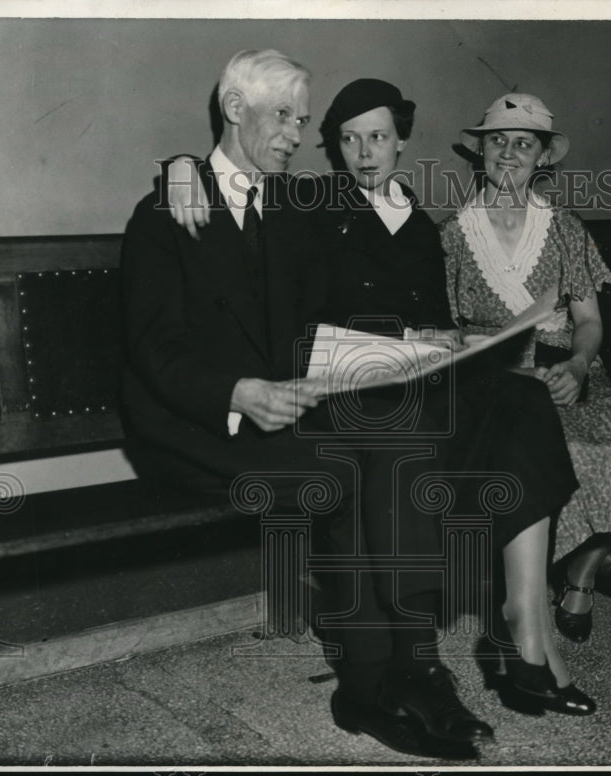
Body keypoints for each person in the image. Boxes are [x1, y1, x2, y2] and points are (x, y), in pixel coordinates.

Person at [167, 78, 597, 723]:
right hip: (349, 383)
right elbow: (232, 189)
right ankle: (421, 659)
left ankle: (524, 624)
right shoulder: (310, 203)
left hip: (420, 375)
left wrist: (450, 339)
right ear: (334, 149)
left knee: (523, 400)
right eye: (349, 138)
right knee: (418, 430)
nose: (365, 152)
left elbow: (435, 316)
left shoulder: (423, 226)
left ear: (401, 143)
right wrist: (179, 169)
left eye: (378, 136)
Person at [121, 50, 482, 760]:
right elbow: (154, 350)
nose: (296, 134)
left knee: (397, 437)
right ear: (234, 109)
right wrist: (236, 394)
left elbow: (346, 282)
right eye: (282, 117)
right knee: (341, 472)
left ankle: (416, 663)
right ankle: (367, 686)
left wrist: (413, 341)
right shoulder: (167, 208)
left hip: (287, 403)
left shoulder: (291, 204)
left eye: (303, 120)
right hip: (199, 420)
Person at [439, 93, 611, 643]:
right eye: (499, 140)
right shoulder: (452, 235)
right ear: (482, 152)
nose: (510, 152)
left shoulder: (564, 228)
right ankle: (564, 571)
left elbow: (589, 321)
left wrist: (581, 365)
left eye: (524, 143)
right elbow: (444, 334)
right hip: (495, 379)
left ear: (543, 157)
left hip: (568, 372)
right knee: (552, 454)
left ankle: (580, 576)